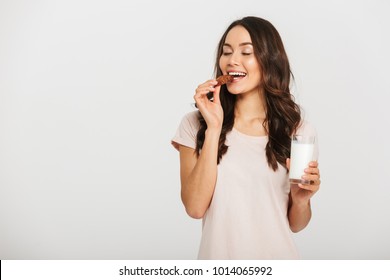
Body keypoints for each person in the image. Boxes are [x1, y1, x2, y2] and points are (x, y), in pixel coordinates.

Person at [171, 16, 321, 259]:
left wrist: (301, 200)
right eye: (226, 52)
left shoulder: (298, 131)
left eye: (246, 52)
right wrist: (214, 128)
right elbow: (195, 207)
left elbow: (296, 224)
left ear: (270, 61)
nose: (232, 61)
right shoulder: (195, 124)